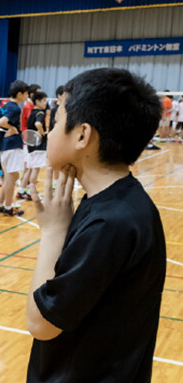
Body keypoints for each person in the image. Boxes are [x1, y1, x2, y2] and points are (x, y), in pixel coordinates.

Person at [26, 67, 165, 383]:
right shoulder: (120, 202)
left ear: (82, 135)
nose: (50, 132)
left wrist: (51, 231)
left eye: (57, 121)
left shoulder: (110, 223)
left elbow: (40, 324)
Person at [0, 79, 28, 216]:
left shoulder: (6, 105)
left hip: (4, 146)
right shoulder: (14, 108)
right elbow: (2, 121)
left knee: (10, 176)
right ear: (19, 94)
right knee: (11, 176)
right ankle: (8, 208)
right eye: (26, 93)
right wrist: (12, 128)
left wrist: (0, 127)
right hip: (12, 146)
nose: (27, 96)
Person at [25, 91, 48, 192]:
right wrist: (42, 132)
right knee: (36, 169)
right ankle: (31, 191)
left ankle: (21, 189)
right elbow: (38, 124)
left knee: (30, 169)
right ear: (37, 102)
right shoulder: (40, 113)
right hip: (38, 145)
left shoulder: (31, 113)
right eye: (43, 101)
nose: (45, 103)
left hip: (30, 145)